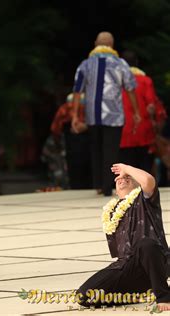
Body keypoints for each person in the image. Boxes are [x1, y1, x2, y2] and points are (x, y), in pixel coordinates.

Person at [77, 163, 170, 312]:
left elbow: (148, 180)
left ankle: (164, 296)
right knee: (83, 296)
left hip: (154, 260)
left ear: (136, 183)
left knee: (145, 244)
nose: (122, 178)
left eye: (128, 177)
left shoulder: (145, 199)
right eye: (119, 177)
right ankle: (133, 294)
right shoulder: (111, 211)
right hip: (127, 266)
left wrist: (126, 168)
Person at [71, 32, 141, 196]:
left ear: (96, 43)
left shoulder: (86, 64)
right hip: (114, 115)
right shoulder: (121, 63)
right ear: (112, 44)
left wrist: (75, 115)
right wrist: (136, 111)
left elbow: (77, 91)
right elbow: (130, 88)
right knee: (111, 150)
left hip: (92, 115)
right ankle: (109, 186)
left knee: (95, 149)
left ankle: (98, 185)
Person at [119, 50, 162, 174]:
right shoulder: (145, 81)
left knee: (127, 169)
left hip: (123, 129)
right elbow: (151, 106)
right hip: (143, 129)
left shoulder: (117, 82)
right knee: (144, 167)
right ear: (136, 63)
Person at [50, 93, 91, 189]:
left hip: (77, 143)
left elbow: (55, 129)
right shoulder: (66, 109)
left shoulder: (65, 109)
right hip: (76, 142)